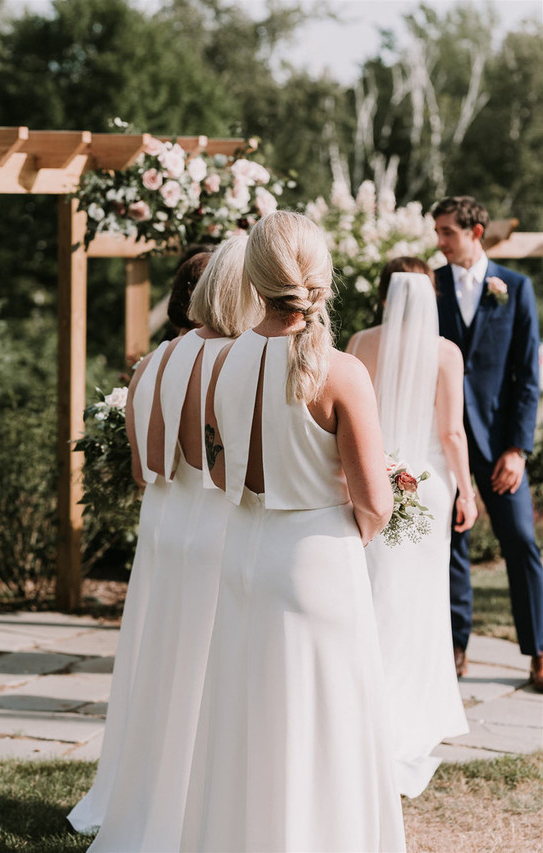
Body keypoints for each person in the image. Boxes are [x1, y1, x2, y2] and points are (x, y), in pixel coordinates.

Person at [181, 211, 406, 851]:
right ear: (321, 276)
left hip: (246, 552)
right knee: (327, 722)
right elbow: (375, 500)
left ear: (254, 276)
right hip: (317, 559)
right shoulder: (341, 372)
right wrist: (351, 533)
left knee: (248, 718)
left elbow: (222, 470)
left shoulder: (221, 362)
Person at [70, 235, 260, 848]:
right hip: (215, 520)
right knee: (209, 665)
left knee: (162, 656)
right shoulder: (239, 359)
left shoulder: (151, 362)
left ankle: (145, 788)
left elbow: (140, 467)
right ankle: (196, 798)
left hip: (163, 523)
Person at [347, 257, 476, 797]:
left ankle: (360, 708)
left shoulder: (360, 342)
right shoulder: (446, 352)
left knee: (374, 590)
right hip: (425, 482)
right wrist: (466, 489)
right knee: (421, 597)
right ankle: (410, 710)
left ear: (383, 297)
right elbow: (450, 432)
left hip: (378, 475)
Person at [432, 195, 543, 691]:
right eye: (437, 232)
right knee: (449, 542)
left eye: (447, 232)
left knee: (520, 540)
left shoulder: (515, 289)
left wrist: (517, 450)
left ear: (475, 233)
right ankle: (455, 647)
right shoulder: (428, 287)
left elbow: (527, 377)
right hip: (444, 439)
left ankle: (539, 649)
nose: (440, 241)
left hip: (500, 445)